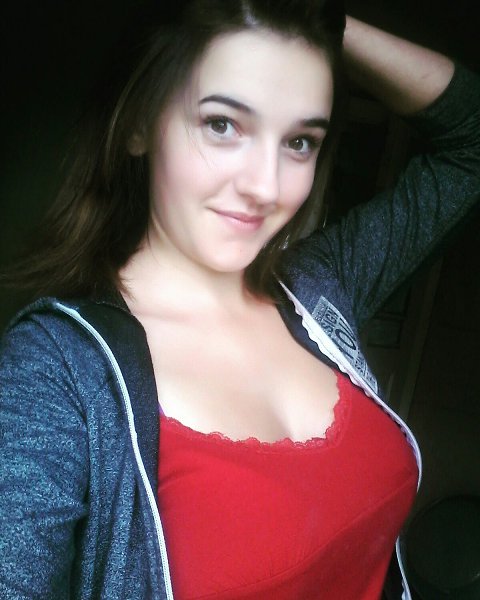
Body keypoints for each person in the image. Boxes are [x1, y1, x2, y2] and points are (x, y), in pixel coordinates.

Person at [0, 1, 479, 598]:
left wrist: (322, 16)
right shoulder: (55, 370)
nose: (266, 187)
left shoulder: (318, 287)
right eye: (222, 125)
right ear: (138, 124)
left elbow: (470, 140)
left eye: (299, 141)